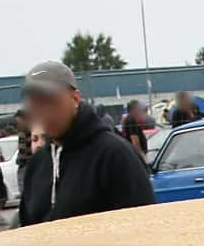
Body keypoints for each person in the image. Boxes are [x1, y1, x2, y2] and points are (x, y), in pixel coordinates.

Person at [17, 60, 155, 224]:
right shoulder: (38, 164)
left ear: (75, 98)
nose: (44, 111)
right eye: (36, 103)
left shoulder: (114, 155)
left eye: (50, 101)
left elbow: (144, 224)